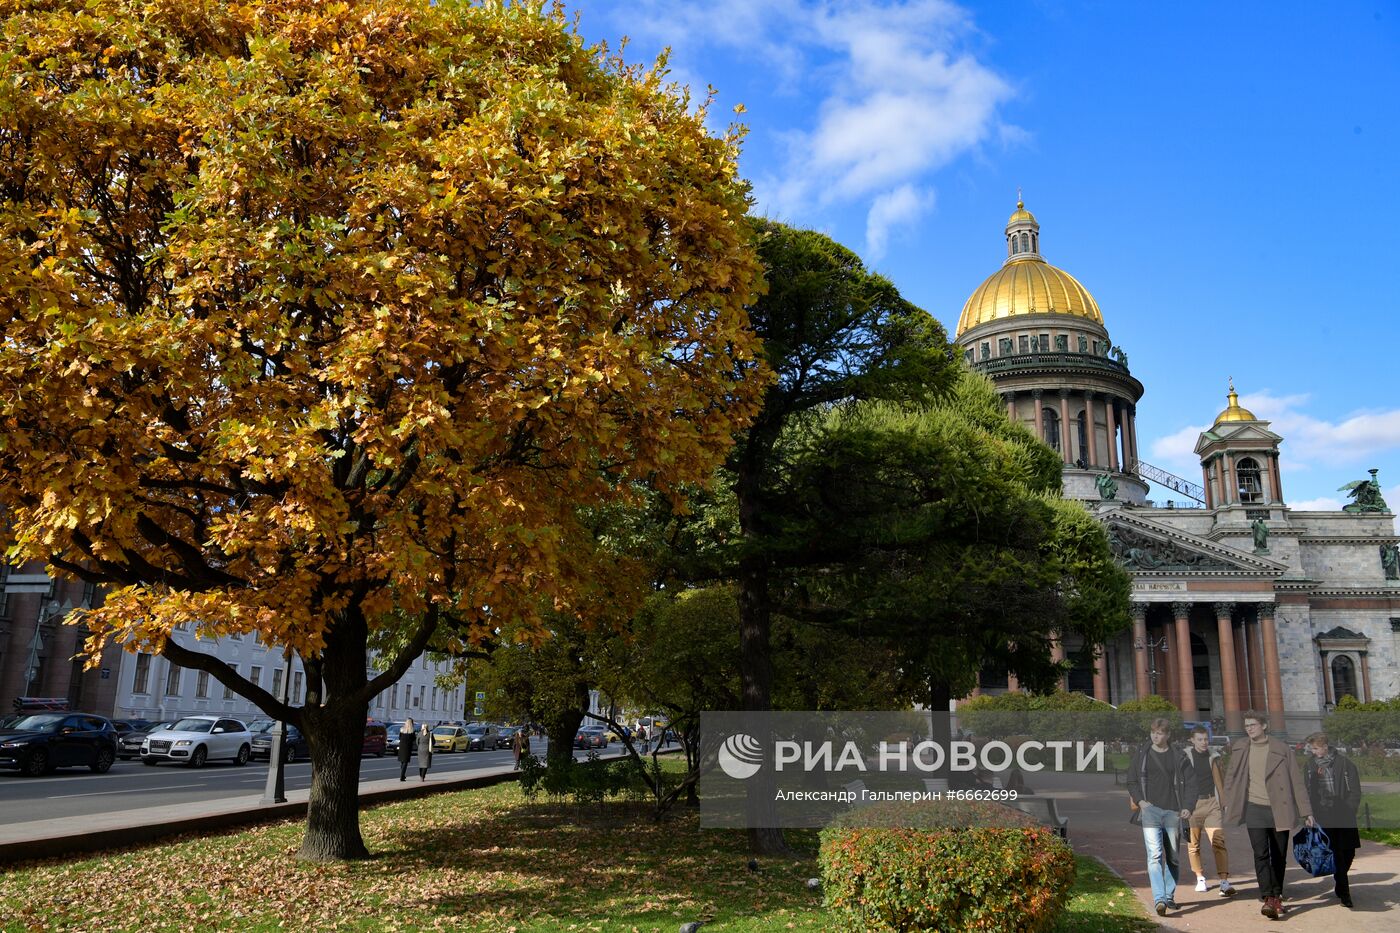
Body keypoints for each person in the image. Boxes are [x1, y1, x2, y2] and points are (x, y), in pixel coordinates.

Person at [1223, 711, 1312, 920]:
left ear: (1264, 726)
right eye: (1246, 726)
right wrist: (1228, 801)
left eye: (1253, 725)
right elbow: (1231, 777)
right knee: (1260, 853)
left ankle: (1277, 893)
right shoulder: (1241, 748)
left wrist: (1306, 811)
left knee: (1279, 854)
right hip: (1254, 808)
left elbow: (1296, 781)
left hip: (1278, 808)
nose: (1249, 729)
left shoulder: (1281, 749)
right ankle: (1268, 897)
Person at [1126, 718, 1191, 916]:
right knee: (1154, 855)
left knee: (1173, 857)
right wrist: (1141, 802)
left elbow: (1191, 782)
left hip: (1173, 811)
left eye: (1160, 732)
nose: (1156, 735)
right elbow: (1132, 780)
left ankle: (1169, 895)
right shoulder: (1142, 754)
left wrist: (1188, 806)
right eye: (1153, 732)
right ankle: (1159, 899)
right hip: (1150, 811)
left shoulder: (1178, 755)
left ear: (1168, 735)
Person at [1302, 732, 1362, 908]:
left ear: (1325, 747)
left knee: (1349, 851)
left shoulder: (1344, 763)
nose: (1313, 752)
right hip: (1324, 814)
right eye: (1311, 748)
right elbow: (1305, 791)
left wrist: (1350, 808)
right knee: (1337, 852)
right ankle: (1345, 893)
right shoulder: (1310, 765)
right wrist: (1308, 814)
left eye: (1315, 748)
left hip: (1343, 813)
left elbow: (1355, 790)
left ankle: (1339, 879)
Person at [1183, 726, 1236, 896]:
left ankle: (1224, 881)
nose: (1204, 742)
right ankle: (1200, 878)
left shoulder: (1214, 756)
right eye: (1200, 739)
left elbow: (1219, 781)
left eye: (1206, 739)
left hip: (1212, 804)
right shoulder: (1184, 757)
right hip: (1192, 805)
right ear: (1192, 740)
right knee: (1193, 845)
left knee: (1218, 841)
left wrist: (1224, 802)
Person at [397, 718, 416, 782]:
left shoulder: (402, 730)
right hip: (407, 748)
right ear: (411, 723)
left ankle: (402, 775)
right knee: (405, 762)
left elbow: (399, 737)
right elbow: (413, 739)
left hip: (402, 747)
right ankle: (402, 776)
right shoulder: (412, 731)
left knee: (402, 762)